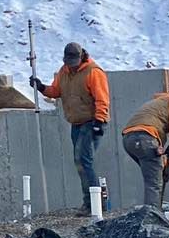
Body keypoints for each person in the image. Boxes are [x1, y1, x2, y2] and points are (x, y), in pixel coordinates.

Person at [30, 42, 110, 213]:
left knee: (84, 160)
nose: (71, 65)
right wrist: (42, 87)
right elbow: (56, 91)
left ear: (81, 57)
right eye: (68, 62)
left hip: (91, 122)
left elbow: (102, 99)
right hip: (76, 123)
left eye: (73, 61)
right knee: (80, 161)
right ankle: (90, 202)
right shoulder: (64, 71)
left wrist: (99, 121)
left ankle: (93, 204)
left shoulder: (94, 72)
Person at [121, 85, 169, 208]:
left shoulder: (156, 104)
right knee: (154, 182)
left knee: (154, 174)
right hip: (145, 138)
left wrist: (165, 167)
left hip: (129, 140)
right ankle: (153, 218)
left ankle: (152, 211)